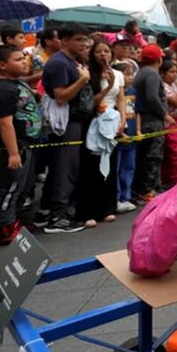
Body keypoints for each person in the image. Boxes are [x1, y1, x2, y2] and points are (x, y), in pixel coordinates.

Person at [0, 45, 42, 244]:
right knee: (9, 187)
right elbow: (4, 123)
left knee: (22, 186)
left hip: (26, 145)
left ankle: (17, 219)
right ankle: (5, 226)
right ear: (2, 65)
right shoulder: (2, 89)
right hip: (13, 147)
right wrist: (12, 153)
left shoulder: (16, 83)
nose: (24, 62)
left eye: (24, 58)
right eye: (18, 59)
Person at [40, 24, 92, 233]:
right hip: (65, 123)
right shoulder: (59, 63)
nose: (84, 43)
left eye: (85, 40)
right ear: (64, 40)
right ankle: (57, 217)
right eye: (79, 39)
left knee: (63, 168)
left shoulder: (72, 61)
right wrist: (82, 80)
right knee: (64, 169)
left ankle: (49, 211)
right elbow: (61, 96)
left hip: (75, 121)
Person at [76, 39, 124, 228]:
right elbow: (91, 102)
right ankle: (88, 211)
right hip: (94, 121)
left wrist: (122, 121)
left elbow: (121, 98)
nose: (103, 55)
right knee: (91, 167)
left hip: (112, 122)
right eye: (98, 52)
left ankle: (107, 208)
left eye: (106, 51)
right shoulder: (89, 74)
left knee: (110, 165)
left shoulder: (118, 73)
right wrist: (106, 86)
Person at [134, 44, 167, 200]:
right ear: (159, 59)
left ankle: (145, 188)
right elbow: (152, 97)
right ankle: (148, 189)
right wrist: (165, 114)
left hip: (143, 120)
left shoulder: (140, 73)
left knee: (144, 156)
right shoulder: (152, 74)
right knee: (153, 156)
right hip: (153, 120)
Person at [114, 60, 139, 213]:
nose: (129, 77)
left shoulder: (134, 92)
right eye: (126, 74)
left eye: (131, 74)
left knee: (129, 166)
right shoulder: (116, 93)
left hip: (131, 136)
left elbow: (137, 113)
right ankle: (116, 197)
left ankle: (126, 196)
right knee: (117, 167)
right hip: (118, 135)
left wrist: (138, 130)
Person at [160, 59, 177, 188]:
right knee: (176, 152)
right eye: (171, 72)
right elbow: (176, 101)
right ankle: (176, 180)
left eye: (176, 72)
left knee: (172, 152)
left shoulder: (173, 84)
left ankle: (168, 179)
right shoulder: (163, 86)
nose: (175, 75)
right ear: (163, 74)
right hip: (171, 121)